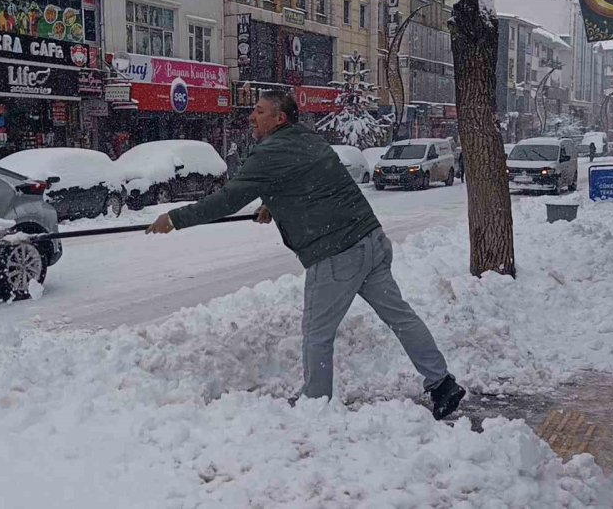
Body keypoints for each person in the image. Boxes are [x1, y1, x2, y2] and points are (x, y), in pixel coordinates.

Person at [145, 92, 465, 420]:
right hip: (371, 239)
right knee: (401, 317)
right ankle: (442, 383)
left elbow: (227, 200)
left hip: (336, 252)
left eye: (259, 111)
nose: (252, 117)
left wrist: (175, 219)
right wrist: (274, 203)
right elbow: (313, 179)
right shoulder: (308, 140)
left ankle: (315, 407)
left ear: (279, 118)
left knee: (317, 333)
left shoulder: (268, 152)